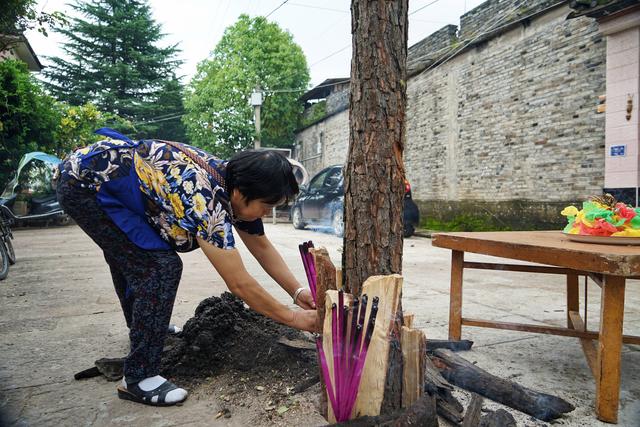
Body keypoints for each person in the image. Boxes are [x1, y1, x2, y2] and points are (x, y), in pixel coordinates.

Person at [56, 128, 317, 407]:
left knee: (137, 259)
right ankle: (139, 378)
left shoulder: (231, 182)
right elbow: (239, 282)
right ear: (241, 194)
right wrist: (293, 319)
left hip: (105, 182)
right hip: (83, 184)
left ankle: (144, 328)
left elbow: (261, 245)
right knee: (158, 267)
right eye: (267, 207)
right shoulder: (205, 198)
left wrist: (297, 291)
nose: (266, 214)